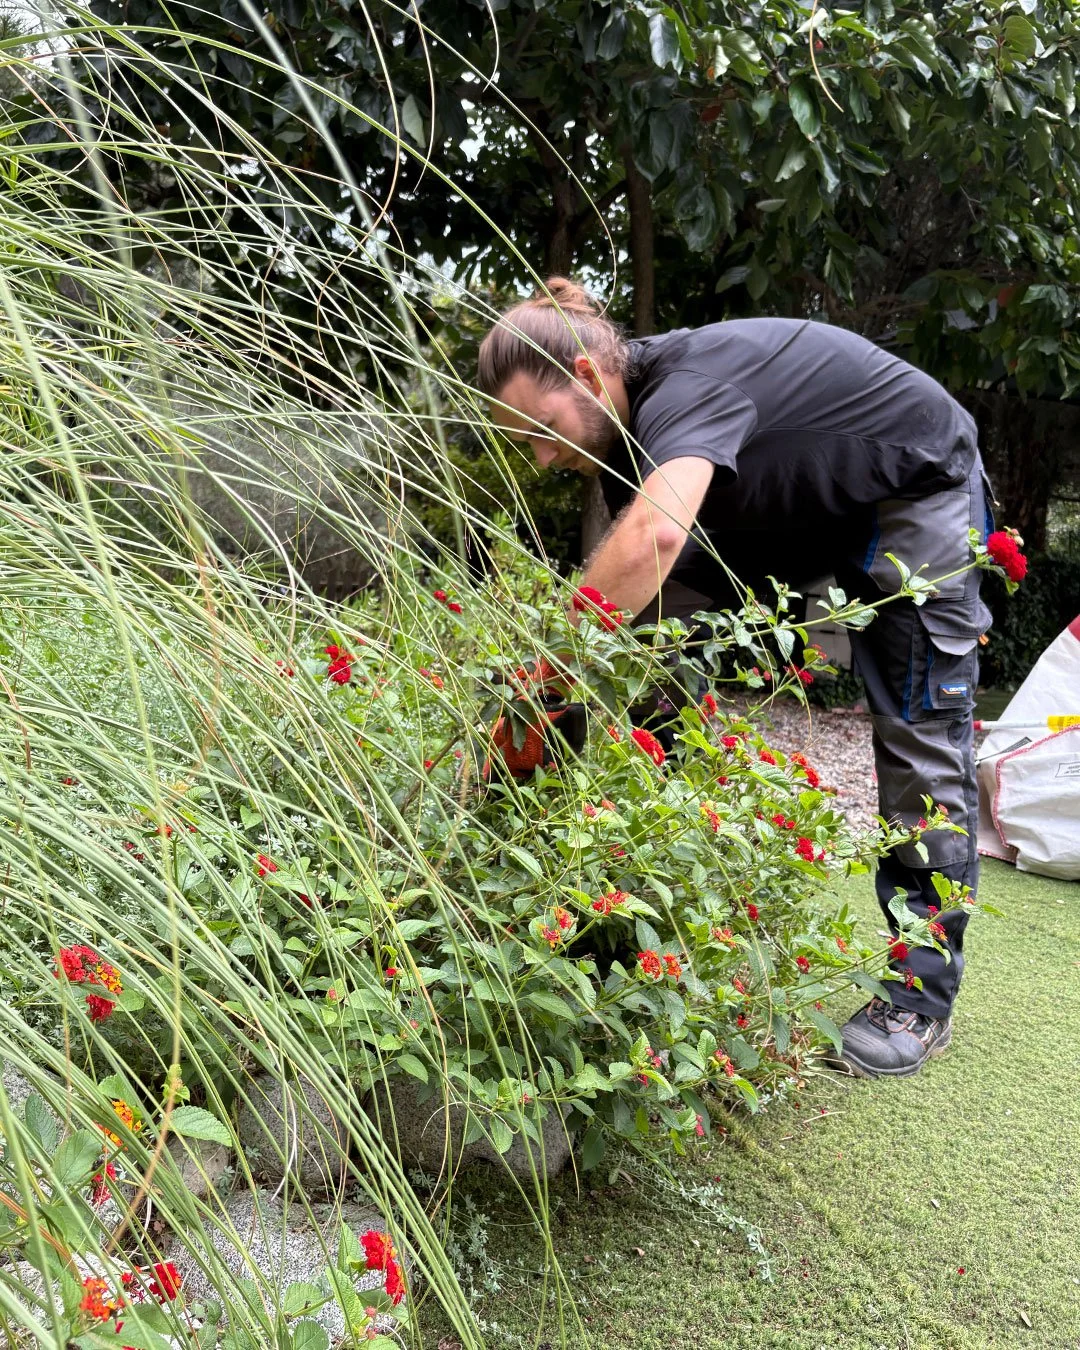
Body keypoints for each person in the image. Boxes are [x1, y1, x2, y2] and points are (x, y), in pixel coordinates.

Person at [476, 277, 996, 1080]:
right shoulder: (621, 450)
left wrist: (542, 680)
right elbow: (630, 596)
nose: (544, 460)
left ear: (585, 376)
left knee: (918, 732)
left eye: (543, 431)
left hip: (912, 485)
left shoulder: (688, 388)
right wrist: (542, 713)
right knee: (637, 656)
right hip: (795, 511)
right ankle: (620, 918)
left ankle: (919, 1000)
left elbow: (652, 539)